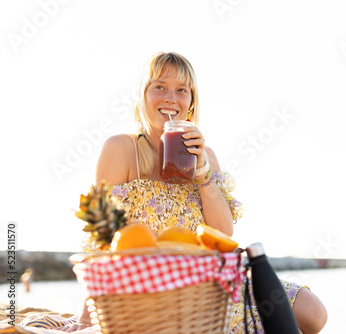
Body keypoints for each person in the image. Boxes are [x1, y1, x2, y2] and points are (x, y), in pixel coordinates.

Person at [24, 52, 328, 333]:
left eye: (182, 90)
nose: (171, 98)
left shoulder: (205, 155)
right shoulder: (122, 148)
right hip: (151, 294)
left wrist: (203, 174)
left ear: (191, 103)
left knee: (313, 313)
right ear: (143, 96)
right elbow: (103, 236)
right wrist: (93, 311)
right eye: (160, 86)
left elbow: (223, 235)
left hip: (208, 288)